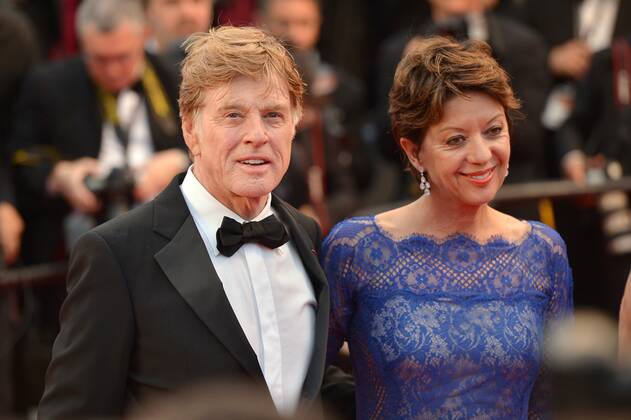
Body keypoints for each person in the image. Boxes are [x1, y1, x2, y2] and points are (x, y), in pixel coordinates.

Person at [38, 25, 341, 419]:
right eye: (233, 115)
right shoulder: (116, 254)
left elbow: (304, 382)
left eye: (273, 115)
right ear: (189, 127)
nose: (257, 135)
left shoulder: (306, 234)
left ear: (295, 123)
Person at [321, 36, 573, 419]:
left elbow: (550, 401)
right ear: (413, 151)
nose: (481, 155)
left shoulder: (542, 251)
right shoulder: (356, 249)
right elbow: (301, 381)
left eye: (493, 131)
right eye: (456, 140)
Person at [11, 0, 187, 264]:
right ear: (82, 44)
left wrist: (181, 162)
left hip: (170, 231)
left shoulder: (176, 79)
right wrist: (60, 176)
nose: (112, 70)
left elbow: (215, 147)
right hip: (80, 237)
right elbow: (19, 156)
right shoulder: (50, 85)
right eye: (100, 59)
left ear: (145, 37)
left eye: (123, 57)